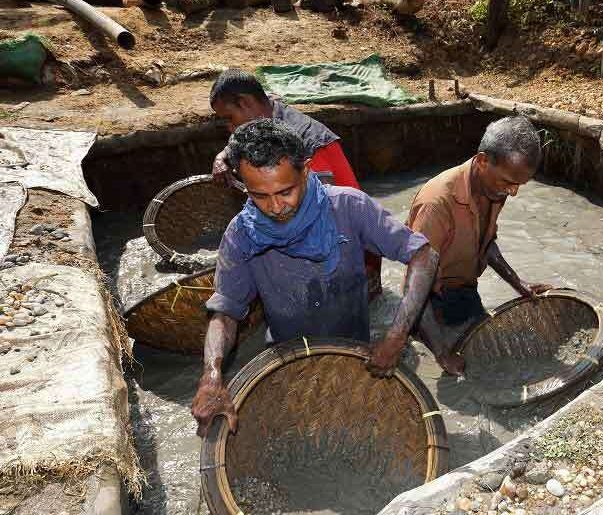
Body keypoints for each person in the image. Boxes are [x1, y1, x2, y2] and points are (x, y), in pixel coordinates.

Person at [191, 119, 438, 437]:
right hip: (288, 355)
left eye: (286, 191)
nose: (276, 207)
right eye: (259, 196)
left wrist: (396, 335)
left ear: (305, 170)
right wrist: (211, 376)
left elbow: (424, 256)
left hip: (355, 352)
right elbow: (225, 312)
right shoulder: (241, 235)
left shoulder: (348, 207)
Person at [209, 69, 383, 299]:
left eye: (229, 119)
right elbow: (239, 142)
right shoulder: (264, 123)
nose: (230, 128)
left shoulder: (309, 143)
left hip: (349, 253)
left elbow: (327, 217)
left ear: (245, 102)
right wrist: (222, 156)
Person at [406, 116, 553, 377]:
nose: (513, 192)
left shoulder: (494, 188)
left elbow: (486, 243)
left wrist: (518, 283)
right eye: (509, 182)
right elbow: (415, 287)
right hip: (432, 303)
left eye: (519, 185)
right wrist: (441, 353)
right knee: (445, 374)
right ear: (483, 161)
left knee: (488, 356)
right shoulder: (436, 204)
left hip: (465, 289)